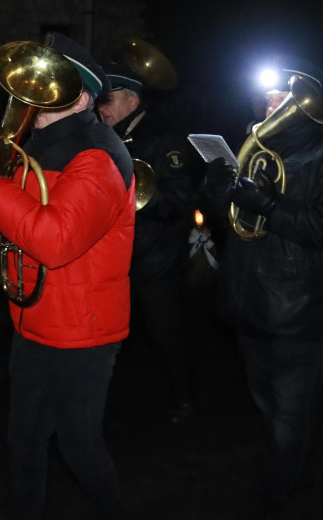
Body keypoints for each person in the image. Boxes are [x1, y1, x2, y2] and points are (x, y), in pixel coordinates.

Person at [0, 32, 133, 520]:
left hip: (83, 331)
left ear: (84, 98)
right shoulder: (44, 146)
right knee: (23, 442)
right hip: (36, 319)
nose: (35, 96)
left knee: (80, 448)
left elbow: (54, 240)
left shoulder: (96, 157)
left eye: (52, 86)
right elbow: (27, 216)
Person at [201, 56, 323, 516]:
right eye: (268, 96)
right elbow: (229, 221)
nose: (270, 104)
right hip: (249, 297)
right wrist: (217, 188)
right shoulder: (254, 143)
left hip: (298, 304)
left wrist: (268, 203)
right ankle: (295, 468)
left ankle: (279, 487)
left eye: (282, 96)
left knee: (290, 408)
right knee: (267, 401)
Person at [97, 59, 199, 421]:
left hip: (155, 256)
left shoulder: (163, 136)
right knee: (109, 335)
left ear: (132, 102)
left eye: (108, 99)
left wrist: (130, 194)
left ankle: (184, 399)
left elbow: (177, 200)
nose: (101, 107)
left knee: (163, 332)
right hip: (115, 254)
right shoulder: (104, 133)